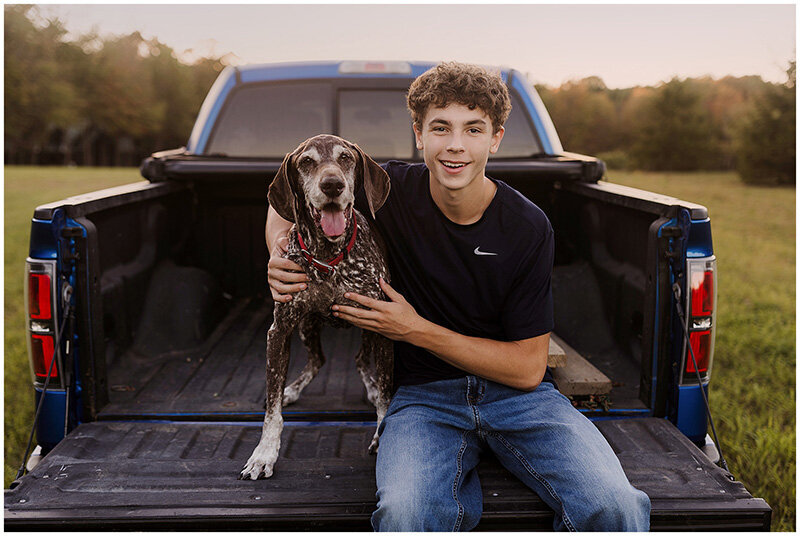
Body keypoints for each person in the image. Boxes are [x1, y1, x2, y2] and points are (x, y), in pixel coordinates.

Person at [265, 61, 650, 531]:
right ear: (419, 135)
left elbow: (529, 369)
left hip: (520, 400)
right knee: (406, 514)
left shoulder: (527, 226)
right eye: (440, 127)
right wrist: (278, 254)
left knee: (616, 506)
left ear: (495, 138)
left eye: (473, 128)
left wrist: (415, 330)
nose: (455, 145)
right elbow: (285, 193)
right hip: (423, 400)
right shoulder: (386, 190)